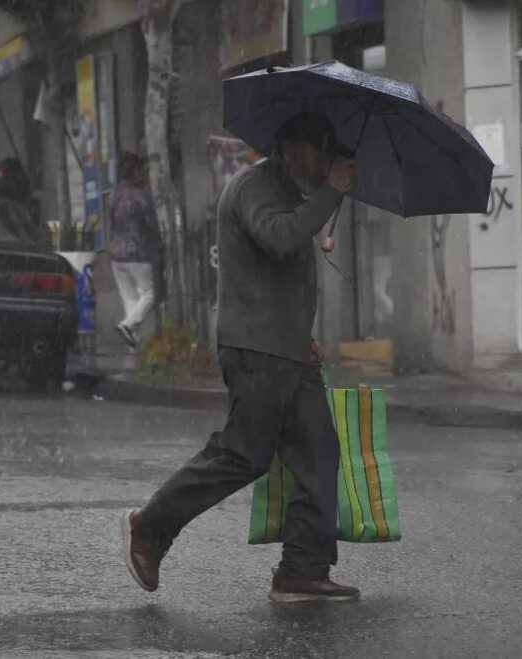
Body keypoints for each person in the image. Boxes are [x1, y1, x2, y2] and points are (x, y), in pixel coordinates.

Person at [121, 113, 359, 603]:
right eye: (322, 154)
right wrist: (331, 192)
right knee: (242, 454)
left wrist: (302, 333)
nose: (326, 166)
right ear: (293, 145)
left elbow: (281, 276)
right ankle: (149, 528)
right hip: (255, 351)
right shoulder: (253, 186)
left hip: (288, 349)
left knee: (318, 451)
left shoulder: (294, 194)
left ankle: (302, 570)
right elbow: (278, 237)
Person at [109, 152, 162, 347]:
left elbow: (112, 221)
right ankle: (128, 325)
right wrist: (157, 244)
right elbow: (151, 224)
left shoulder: (116, 195)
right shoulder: (140, 195)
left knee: (131, 298)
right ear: (135, 171)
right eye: (142, 170)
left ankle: (133, 338)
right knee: (150, 293)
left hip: (116, 255)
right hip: (138, 253)